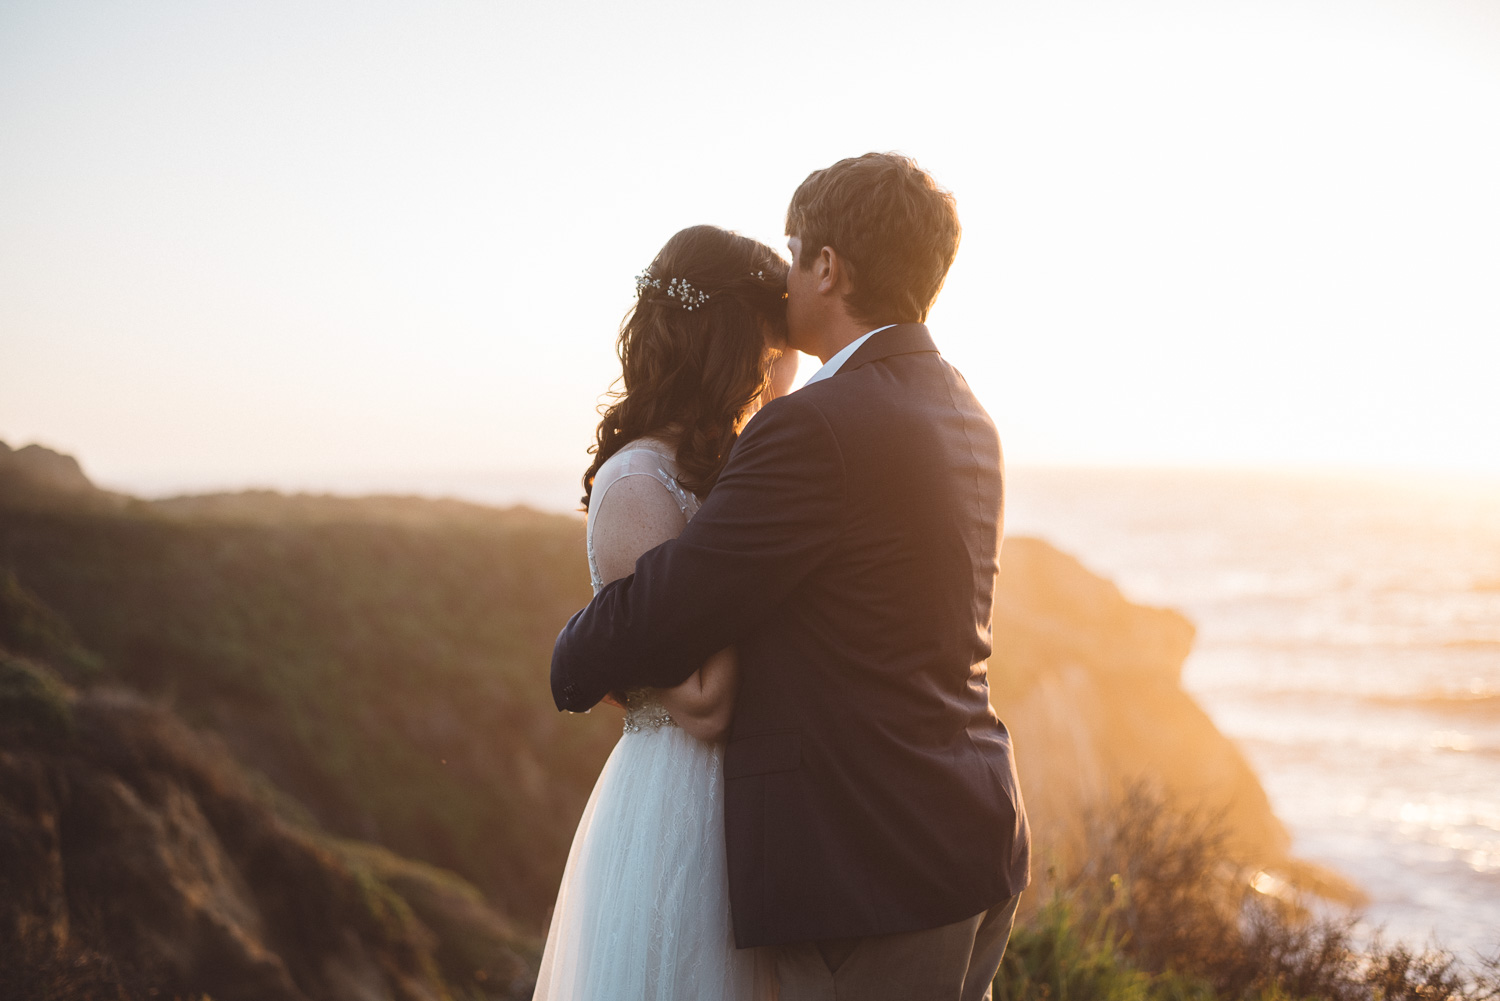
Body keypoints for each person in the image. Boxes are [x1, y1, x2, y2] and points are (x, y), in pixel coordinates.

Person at [551, 153, 1031, 1001]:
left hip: (873, 872)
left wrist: (572, 654)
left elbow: (671, 602)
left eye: (793, 250)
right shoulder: (964, 408)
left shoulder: (817, 425)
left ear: (827, 266)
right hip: (974, 842)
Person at [532, 224, 793, 1001]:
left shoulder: (725, 470)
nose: (788, 364)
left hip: (749, 806)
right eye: (775, 342)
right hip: (681, 812)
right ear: (728, 338)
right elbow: (705, 700)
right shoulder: (637, 486)